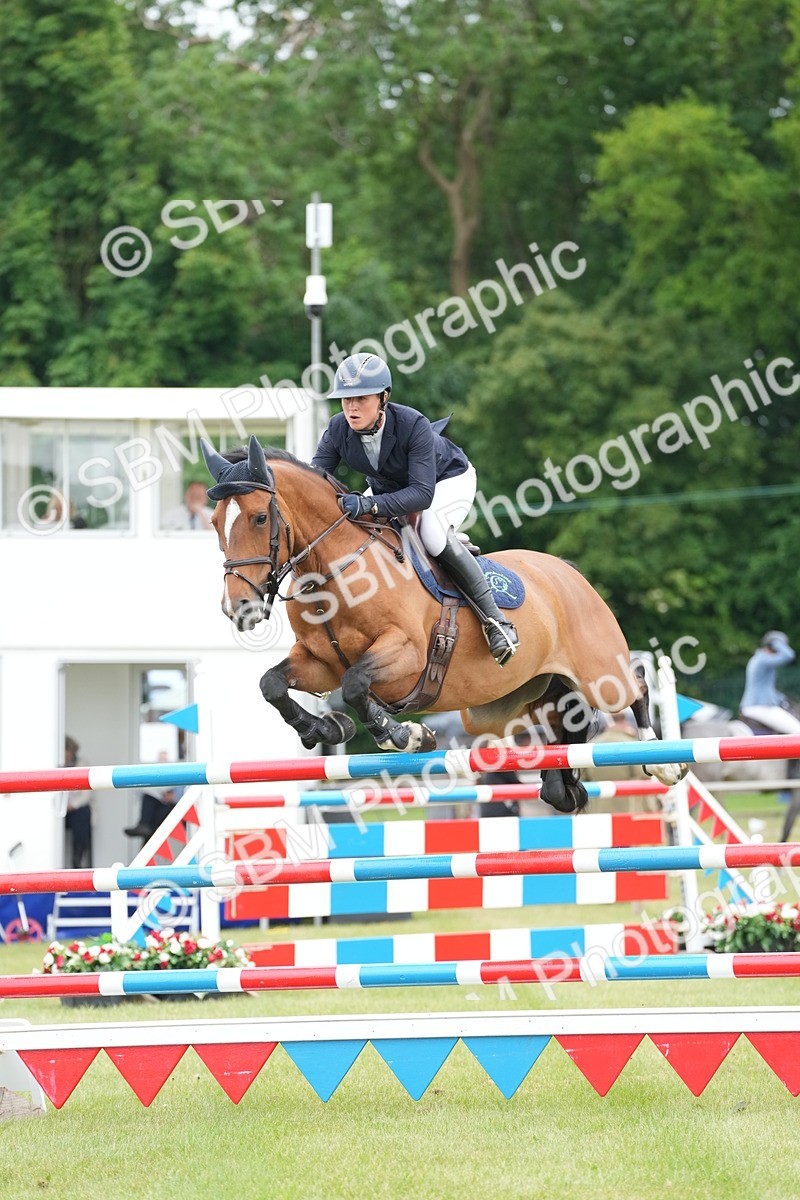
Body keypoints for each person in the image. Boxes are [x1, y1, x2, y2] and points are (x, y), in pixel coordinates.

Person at [311, 352, 519, 664]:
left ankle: (496, 622)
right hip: (390, 488)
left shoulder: (413, 424)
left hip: (445, 480)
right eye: (346, 400)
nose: (352, 408)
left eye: (361, 399)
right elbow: (316, 480)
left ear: (383, 397)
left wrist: (367, 503)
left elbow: (421, 494)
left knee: (431, 533)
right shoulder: (338, 428)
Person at [740, 632, 800, 841]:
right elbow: (789, 656)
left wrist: (782, 699)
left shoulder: (759, 659)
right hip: (758, 708)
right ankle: (794, 778)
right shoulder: (764, 658)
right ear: (771, 646)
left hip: (759, 705)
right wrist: (778, 643)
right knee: (798, 734)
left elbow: (767, 690)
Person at [63, 736, 92, 868]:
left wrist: (72, 806)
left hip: (75, 810)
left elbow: (86, 795)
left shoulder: (82, 765)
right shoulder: (55, 764)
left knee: (82, 815)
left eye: (67, 750)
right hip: (59, 810)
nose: (65, 754)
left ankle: (77, 859)